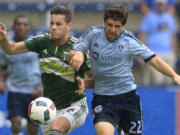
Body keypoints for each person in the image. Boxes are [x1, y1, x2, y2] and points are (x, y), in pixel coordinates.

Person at [68, 4, 180, 135]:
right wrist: (78, 54)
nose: (112, 30)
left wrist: (174, 75)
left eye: (117, 27)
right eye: (109, 25)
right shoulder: (94, 34)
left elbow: (154, 60)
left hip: (128, 98)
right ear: (104, 22)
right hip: (103, 98)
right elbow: (74, 50)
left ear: (123, 26)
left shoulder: (129, 41)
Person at [0, 4, 90, 135]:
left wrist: (85, 83)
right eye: (52, 23)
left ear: (68, 26)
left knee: (57, 129)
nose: (53, 27)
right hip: (51, 107)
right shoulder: (42, 42)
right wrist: (3, 40)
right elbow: (11, 49)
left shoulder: (78, 49)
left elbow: (97, 79)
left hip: (74, 105)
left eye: (58, 24)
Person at [0, 15, 43, 135]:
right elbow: (2, 67)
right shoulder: (5, 46)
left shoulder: (36, 44)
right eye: (19, 24)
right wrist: (1, 82)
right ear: (13, 27)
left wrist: (40, 86)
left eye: (25, 24)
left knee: (33, 128)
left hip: (35, 91)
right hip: (15, 91)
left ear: (29, 27)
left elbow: (46, 68)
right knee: (15, 123)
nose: (21, 27)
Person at [138, 0, 177, 85]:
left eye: (162, 4)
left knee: (169, 81)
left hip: (168, 53)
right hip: (154, 52)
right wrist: (141, 54)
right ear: (155, 5)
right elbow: (142, 35)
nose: (160, 6)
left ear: (165, 5)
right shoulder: (149, 17)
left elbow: (173, 36)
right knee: (157, 81)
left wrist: (173, 52)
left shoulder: (170, 18)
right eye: (159, 4)